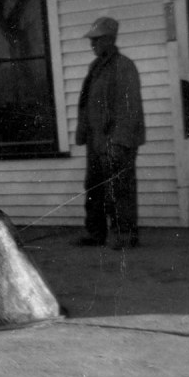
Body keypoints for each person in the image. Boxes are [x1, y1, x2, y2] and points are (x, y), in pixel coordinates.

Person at [73, 17, 145, 250]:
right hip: (97, 140)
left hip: (116, 141)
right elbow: (86, 104)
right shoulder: (95, 68)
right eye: (91, 40)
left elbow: (129, 109)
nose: (92, 44)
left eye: (96, 40)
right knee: (93, 187)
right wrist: (84, 133)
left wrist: (119, 142)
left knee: (120, 189)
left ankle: (125, 235)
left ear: (110, 39)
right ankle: (95, 233)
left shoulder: (123, 66)